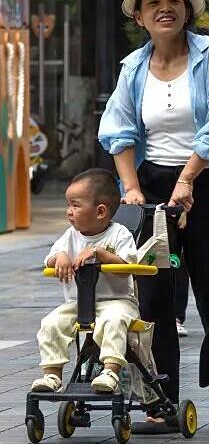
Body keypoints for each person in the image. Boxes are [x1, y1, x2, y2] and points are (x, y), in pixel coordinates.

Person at [98, 0, 209, 429]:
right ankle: (160, 396)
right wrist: (130, 187)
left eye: (174, 0)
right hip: (150, 188)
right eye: (154, 3)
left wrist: (188, 179)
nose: (165, 8)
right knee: (152, 298)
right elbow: (119, 130)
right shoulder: (133, 67)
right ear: (140, 17)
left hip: (207, 183)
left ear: (188, 11)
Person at [33, 169, 139, 394]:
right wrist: (60, 258)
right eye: (68, 205)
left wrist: (99, 254)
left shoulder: (120, 235)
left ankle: (110, 371)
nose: (69, 212)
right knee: (51, 323)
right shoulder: (71, 235)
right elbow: (52, 257)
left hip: (116, 301)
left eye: (75, 205)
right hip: (78, 304)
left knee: (113, 321)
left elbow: (126, 266)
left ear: (100, 211)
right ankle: (52, 374)